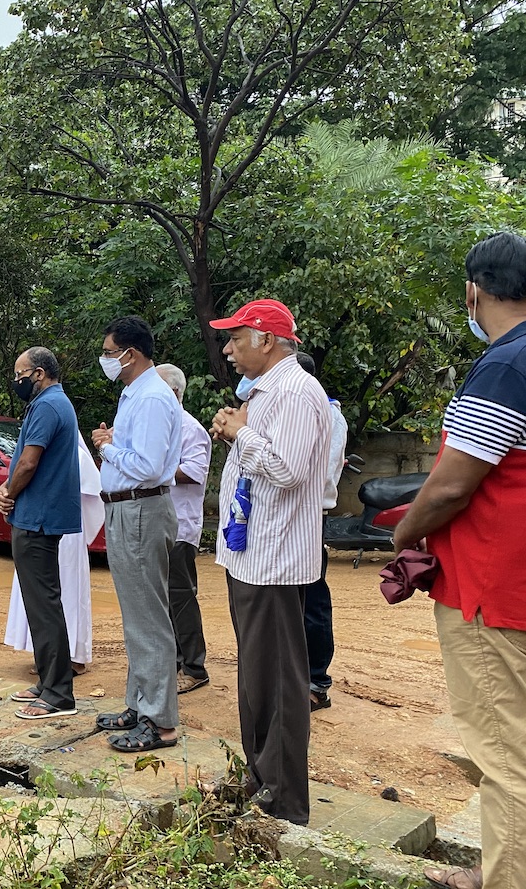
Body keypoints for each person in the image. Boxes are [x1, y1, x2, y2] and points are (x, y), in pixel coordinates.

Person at [392, 232, 526, 889]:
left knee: (505, 756)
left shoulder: (506, 366)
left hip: (491, 591)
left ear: (474, 291)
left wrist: (403, 534)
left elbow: (450, 485)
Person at [209, 298, 330, 825]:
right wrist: (235, 432)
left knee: (278, 682)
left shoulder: (297, 392)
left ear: (266, 339)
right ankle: (261, 780)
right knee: (257, 677)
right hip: (252, 554)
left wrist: (241, 433)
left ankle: (282, 805)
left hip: (274, 559)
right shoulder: (264, 392)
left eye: (236, 339)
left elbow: (287, 469)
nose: (228, 350)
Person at [90, 317, 182, 751]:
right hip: (128, 509)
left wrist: (107, 448)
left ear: (131, 353)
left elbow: (146, 466)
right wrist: (114, 445)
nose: (105, 359)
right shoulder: (134, 394)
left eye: (109, 352)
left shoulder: (151, 397)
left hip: (141, 508)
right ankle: (140, 703)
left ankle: (160, 722)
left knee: (149, 619)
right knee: (137, 616)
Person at [0, 346, 82, 719]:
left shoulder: (48, 406)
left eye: (21, 374)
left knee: (44, 605)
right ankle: (49, 682)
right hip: (36, 515)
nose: (17, 381)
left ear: (40, 374)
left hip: (38, 518)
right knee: (39, 604)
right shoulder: (50, 403)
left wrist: (8, 492)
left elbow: (29, 462)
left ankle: (58, 694)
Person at [5, 431, 100, 672]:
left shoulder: (76, 455)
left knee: (67, 590)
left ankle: (73, 657)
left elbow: (92, 495)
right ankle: (47, 655)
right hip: (39, 527)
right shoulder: (40, 453)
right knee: (40, 592)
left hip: (66, 533)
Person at [156, 363, 213, 695]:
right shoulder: (158, 426)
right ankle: (173, 662)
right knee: (161, 599)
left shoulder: (191, 429)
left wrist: (156, 468)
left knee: (180, 597)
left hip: (180, 526)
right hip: (158, 523)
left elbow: (194, 471)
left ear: (175, 392)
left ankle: (194, 667)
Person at [295, 351, 348, 712]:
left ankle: (316, 682)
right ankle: (295, 676)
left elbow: (322, 475)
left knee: (312, 599)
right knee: (290, 600)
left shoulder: (329, 416)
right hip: (290, 515)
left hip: (310, 515)